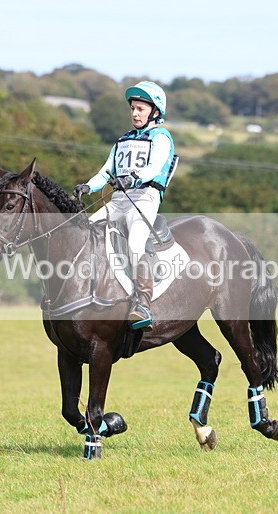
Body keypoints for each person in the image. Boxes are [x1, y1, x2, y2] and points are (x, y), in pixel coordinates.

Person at [74, 81, 176, 331]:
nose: (135, 113)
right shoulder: (122, 141)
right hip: (118, 200)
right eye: (133, 108)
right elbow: (106, 172)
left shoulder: (161, 137)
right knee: (84, 233)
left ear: (154, 111)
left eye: (141, 108)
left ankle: (142, 304)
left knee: (135, 243)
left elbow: (154, 168)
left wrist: (132, 178)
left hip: (144, 198)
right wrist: (88, 186)